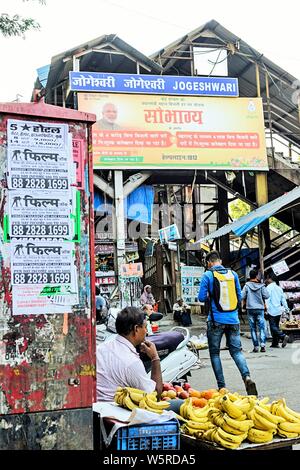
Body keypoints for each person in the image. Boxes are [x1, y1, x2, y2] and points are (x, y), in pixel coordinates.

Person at [198, 250, 257, 395]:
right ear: (220, 261)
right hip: (233, 320)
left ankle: (222, 387)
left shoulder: (207, 275)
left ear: (209, 263)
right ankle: (247, 377)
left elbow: (200, 298)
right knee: (236, 352)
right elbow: (238, 296)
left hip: (216, 320)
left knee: (215, 354)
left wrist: (209, 295)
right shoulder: (233, 274)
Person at [96, 307, 163, 402]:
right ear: (136, 329)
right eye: (145, 327)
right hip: (117, 412)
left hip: (97, 408)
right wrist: (155, 357)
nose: (146, 331)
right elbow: (155, 396)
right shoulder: (131, 363)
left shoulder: (102, 347)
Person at [241, 269, 269, 353]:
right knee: (261, 328)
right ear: (257, 276)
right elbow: (267, 296)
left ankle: (256, 347)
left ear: (250, 276)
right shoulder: (262, 286)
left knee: (253, 328)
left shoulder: (246, 286)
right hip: (260, 309)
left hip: (250, 309)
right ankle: (263, 345)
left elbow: (242, 296)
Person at [265, 272, 289, 348]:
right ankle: (275, 343)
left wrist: (266, 308)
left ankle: (283, 336)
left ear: (270, 279)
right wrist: (287, 309)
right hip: (279, 310)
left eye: (267, 278)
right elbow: (283, 300)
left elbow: (267, 299)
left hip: (271, 310)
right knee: (275, 326)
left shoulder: (268, 288)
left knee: (273, 326)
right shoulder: (279, 288)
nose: (267, 280)